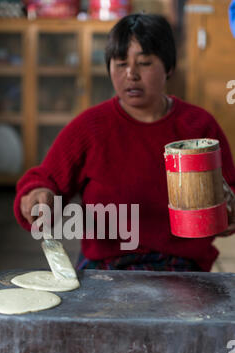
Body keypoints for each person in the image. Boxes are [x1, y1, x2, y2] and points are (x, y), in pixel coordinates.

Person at [14, 13, 235, 272]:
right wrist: (38, 196)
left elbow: (229, 191)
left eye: (144, 63)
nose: (131, 74)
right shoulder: (90, 128)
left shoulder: (198, 127)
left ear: (169, 67)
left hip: (183, 267)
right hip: (107, 266)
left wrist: (228, 207)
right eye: (120, 64)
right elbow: (44, 180)